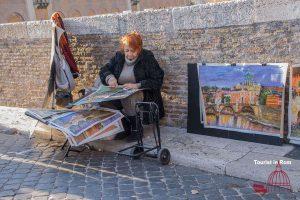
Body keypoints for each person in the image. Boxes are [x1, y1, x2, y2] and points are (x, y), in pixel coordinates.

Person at [99, 31, 165, 141]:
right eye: (127, 50)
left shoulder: (147, 57)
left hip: (143, 92)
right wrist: (110, 78)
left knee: (130, 97)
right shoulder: (119, 56)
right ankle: (124, 127)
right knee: (103, 100)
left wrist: (137, 85)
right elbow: (104, 70)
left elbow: (158, 79)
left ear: (139, 49)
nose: (129, 54)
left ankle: (137, 130)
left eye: (132, 51)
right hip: (120, 90)